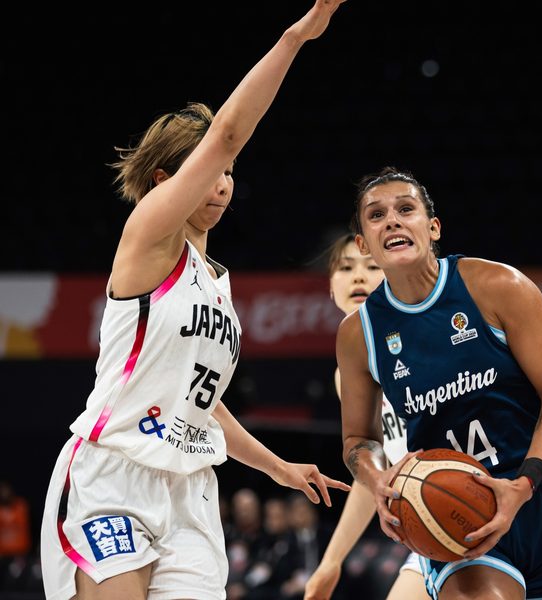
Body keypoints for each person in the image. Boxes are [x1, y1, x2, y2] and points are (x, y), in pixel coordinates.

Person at [39, 2, 350, 599]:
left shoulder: (217, 281)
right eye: (209, 167)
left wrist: (277, 467)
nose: (224, 179)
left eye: (230, 169)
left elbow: (199, 404)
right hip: (115, 473)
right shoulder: (151, 237)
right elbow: (230, 128)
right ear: (165, 182)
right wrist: (294, 37)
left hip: (191, 490)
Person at [336, 167, 542, 599]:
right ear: (364, 244)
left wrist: (522, 485)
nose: (393, 221)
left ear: (433, 227)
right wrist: (377, 480)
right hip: (454, 511)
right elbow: (358, 440)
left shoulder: (497, 286)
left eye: (406, 209)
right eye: (376, 215)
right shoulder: (357, 334)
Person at [304, 233, 428, 600]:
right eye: (345, 268)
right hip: (432, 520)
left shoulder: (422, 338)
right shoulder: (349, 372)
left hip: (478, 501)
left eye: (372, 266)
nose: (358, 276)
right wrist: (331, 562)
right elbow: (372, 475)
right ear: (330, 286)